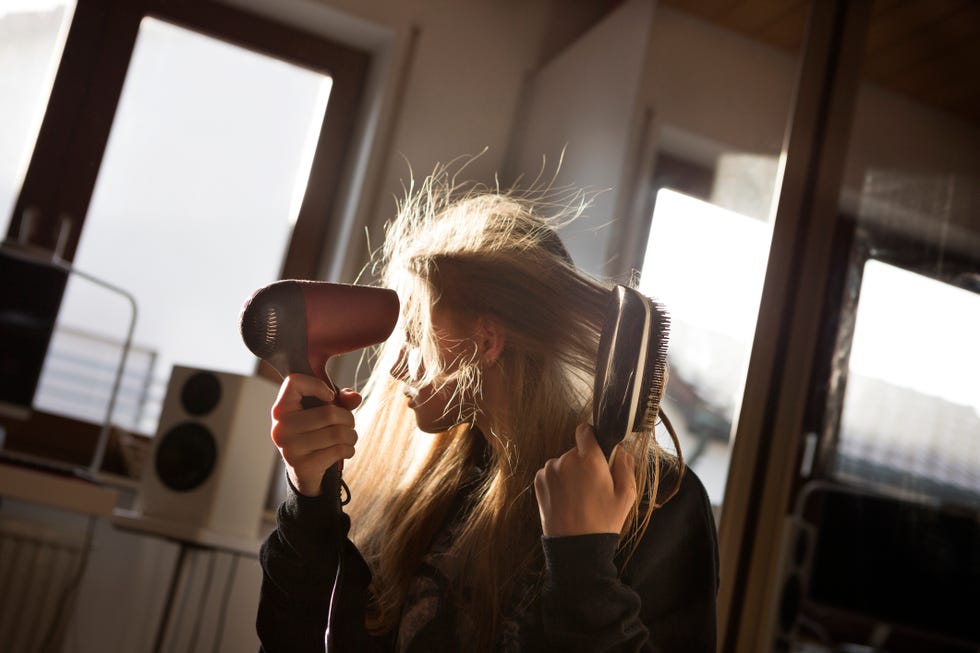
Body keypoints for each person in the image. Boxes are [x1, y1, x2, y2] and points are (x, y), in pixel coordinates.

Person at [256, 169, 719, 652]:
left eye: (413, 335)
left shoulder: (658, 503)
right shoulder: (426, 492)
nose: (395, 368)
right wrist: (309, 500)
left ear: (486, 340)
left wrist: (584, 564)